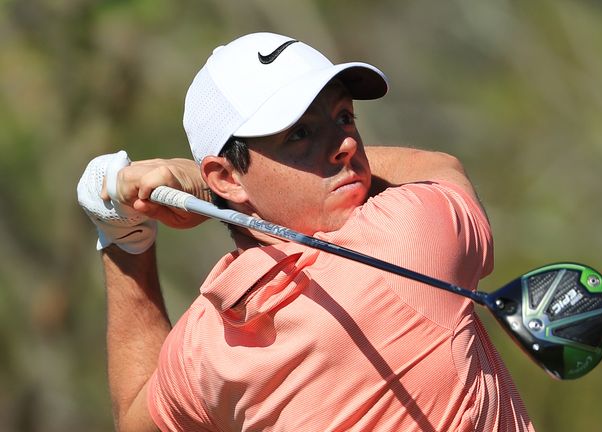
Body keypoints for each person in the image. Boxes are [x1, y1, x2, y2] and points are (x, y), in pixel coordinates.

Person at [77, 32, 535, 431]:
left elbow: (136, 415)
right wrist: (206, 191)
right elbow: (440, 168)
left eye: (343, 118)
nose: (348, 144)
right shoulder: (411, 236)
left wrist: (121, 233)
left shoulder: (208, 344)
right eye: (300, 134)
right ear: (227, 177)